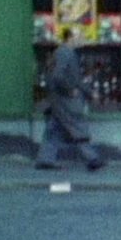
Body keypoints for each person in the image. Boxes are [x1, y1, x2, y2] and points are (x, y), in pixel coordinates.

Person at [35, 26, 104, 171]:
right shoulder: (66, 54)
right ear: (71, 38)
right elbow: (59, 77)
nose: (83, 39)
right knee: (77, 125)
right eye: (80, 36)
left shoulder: (62, 52)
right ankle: (92, 158)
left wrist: (89, 92)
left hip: (57, 98)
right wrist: (69, 90)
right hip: (64, 99)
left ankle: (45, 159)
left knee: (54, 129)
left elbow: (73, 78)